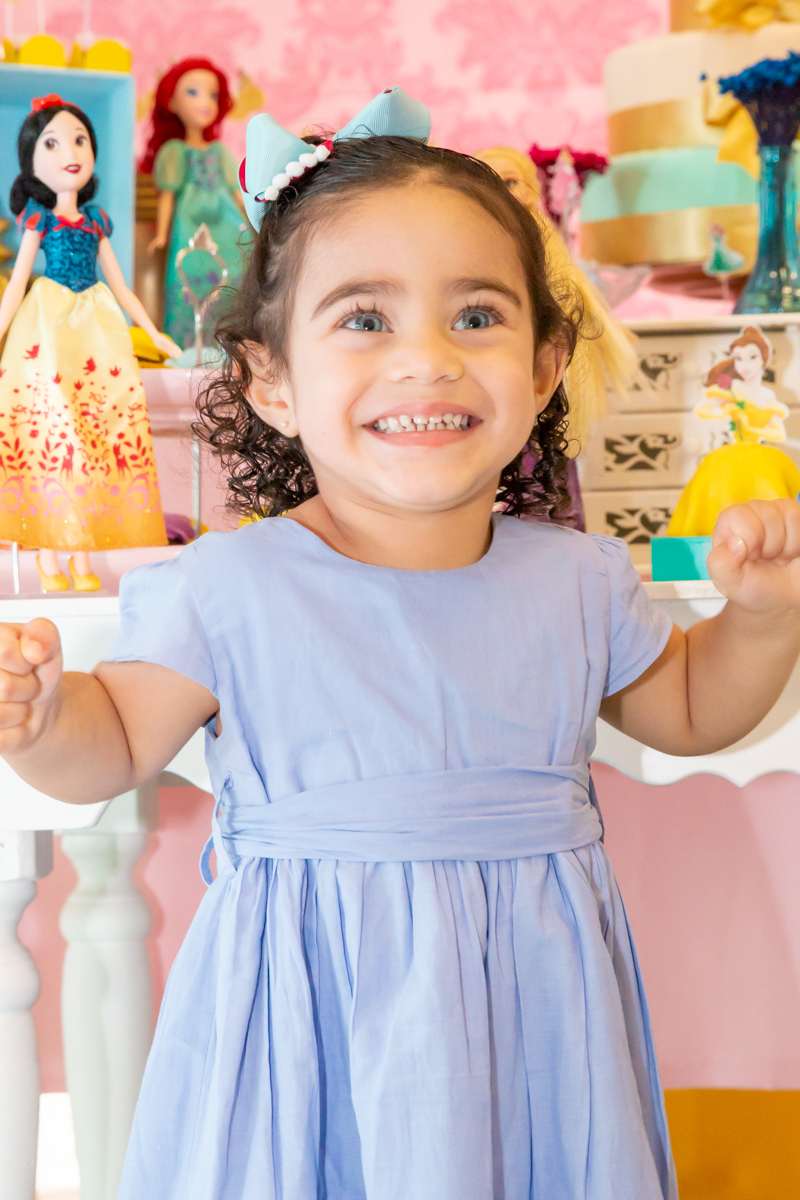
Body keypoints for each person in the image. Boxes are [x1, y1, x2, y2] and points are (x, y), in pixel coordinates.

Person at [1, 89, 800, 1200]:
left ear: (543, 364)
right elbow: (117, 738)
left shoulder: (574, 581)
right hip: (303, 1040)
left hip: (534, 1037)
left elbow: (694, 709)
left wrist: (759, 620)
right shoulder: (233, 586)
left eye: (475, 316)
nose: (426, 357)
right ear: (269, 379)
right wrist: (42, 721)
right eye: (364, 319)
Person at [0, 95, 177, 591]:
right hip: (50, 324)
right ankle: (51, 558)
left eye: (79, 140)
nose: (69, 152)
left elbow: (122, 286)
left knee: (98, 435)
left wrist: (152, 330)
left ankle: (84, 556)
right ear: (32, 159)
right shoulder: (40, 220)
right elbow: (16, 283)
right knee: (53, 435)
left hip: (96, 325)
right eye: (52, 143)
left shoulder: (96, 220)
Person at [141, 57, 249, 350]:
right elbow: (167, 195)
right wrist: (162, 236)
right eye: (193, 92)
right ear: (171, 102)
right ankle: (189, 346)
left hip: (226, 223)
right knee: (189, 282)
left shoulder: (218, 151)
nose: (205, 101)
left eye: (213, 95)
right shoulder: (175, 151)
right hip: (189, 223)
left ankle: (231, 344)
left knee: (234, 278)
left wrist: (253, 220)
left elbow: (235, 192)